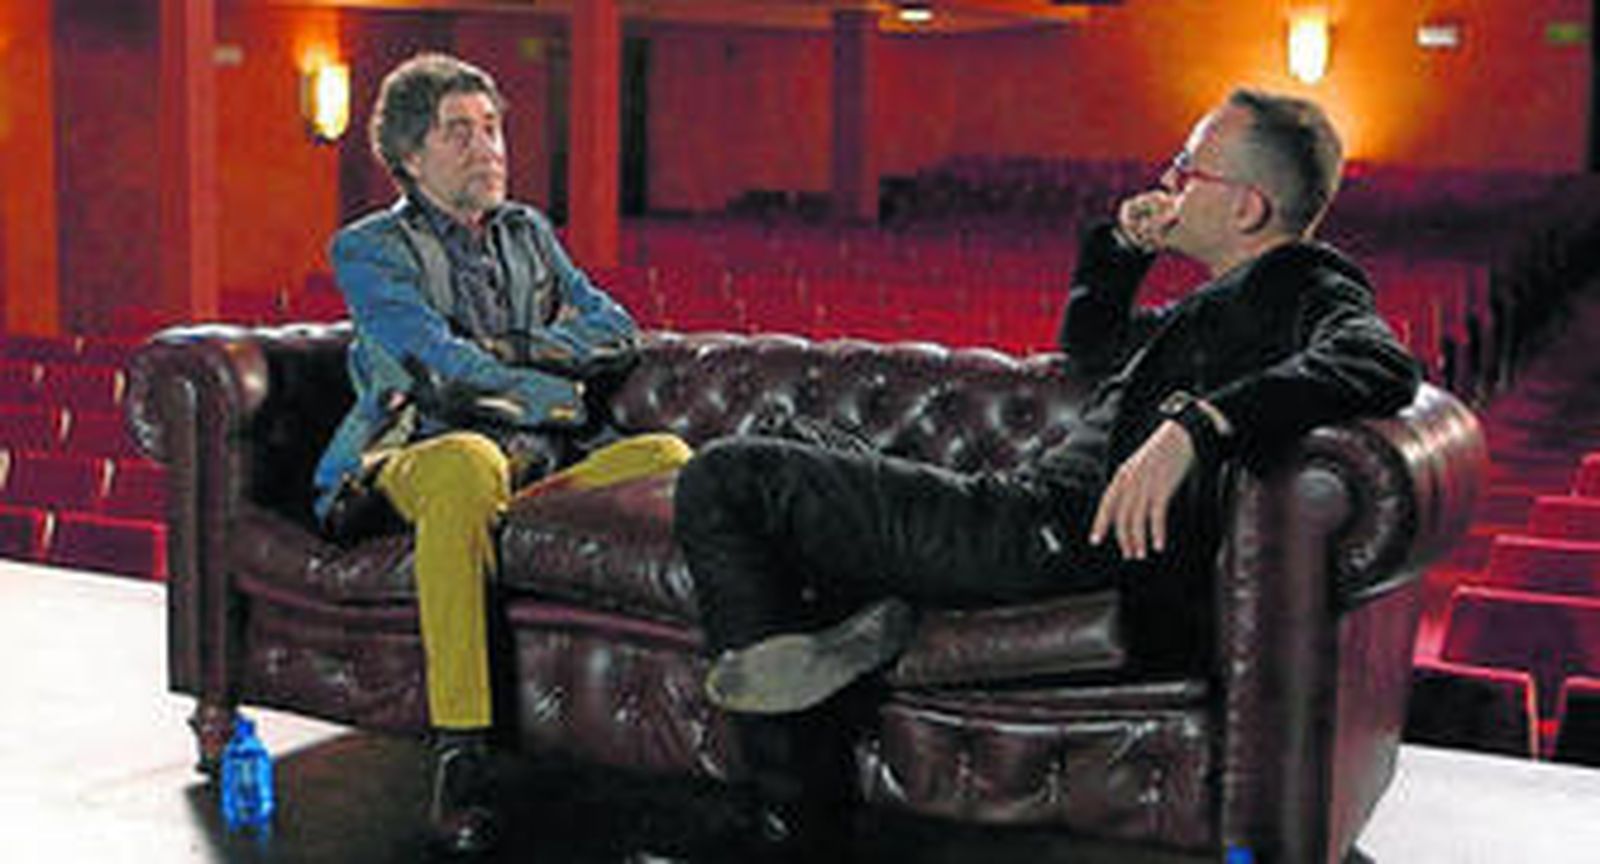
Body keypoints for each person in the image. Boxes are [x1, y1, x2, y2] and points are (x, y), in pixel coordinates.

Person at [673, 88, 1421, 860]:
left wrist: (1197, 429)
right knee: (790, 436)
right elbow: (1091, 342)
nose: (1167, 182)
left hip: (1046, 535)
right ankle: (855, 625)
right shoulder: (1226, 302)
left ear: (1247, 207)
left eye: (1187, 169)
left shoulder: (1303, 283)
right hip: (1027, 513)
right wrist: (1124, 248)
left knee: (724, 480)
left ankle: (793, 824)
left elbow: (1379, 360)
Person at [312, 53, 690, 855]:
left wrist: (509, 349)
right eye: (459, 132)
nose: (487, 148)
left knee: (668, 453)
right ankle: (463, 751)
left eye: (492, 128)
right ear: (409, 157)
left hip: (532, 462)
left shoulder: (529, 233)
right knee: (466, 464)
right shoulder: (368, 248)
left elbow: (616, 330)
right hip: (414, 455)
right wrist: (556, 391)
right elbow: (439, 369)